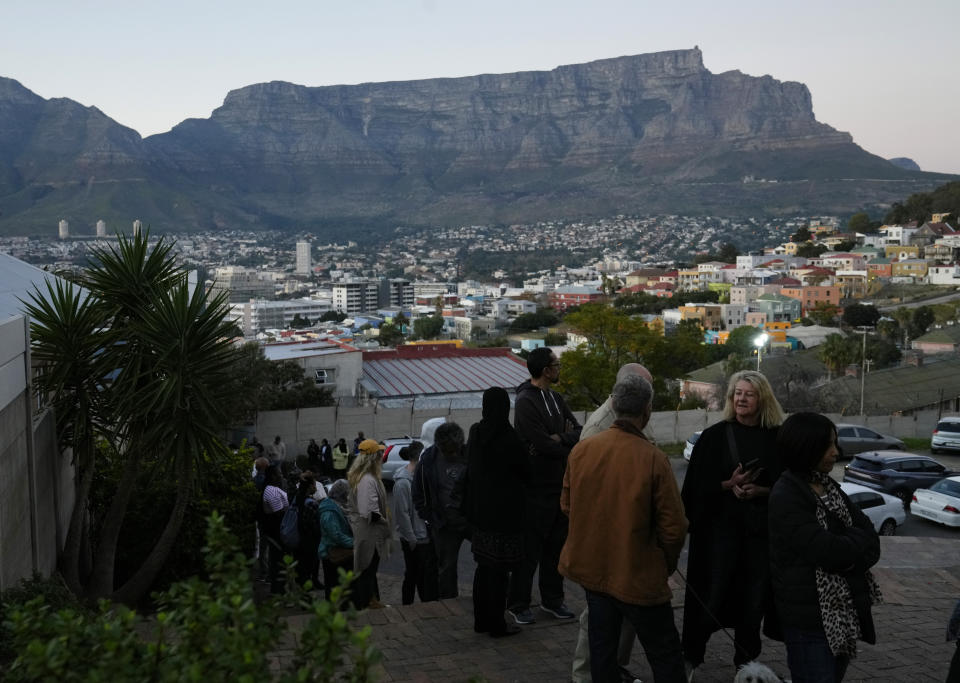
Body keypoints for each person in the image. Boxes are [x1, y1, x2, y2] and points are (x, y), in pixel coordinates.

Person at [559, 375, 688, 682]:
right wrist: (663, 565)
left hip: (594, 572)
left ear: (614, 406)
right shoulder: (653, 458)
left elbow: (567, 505)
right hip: (638, 575)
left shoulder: (582, 450)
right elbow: (674, 527)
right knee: (665, 655)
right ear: (647, 410)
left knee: (602, 653)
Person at [680, 369, 785, 677]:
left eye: (748, 394)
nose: (741, 399)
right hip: (718, 541)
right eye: (737, 393)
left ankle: (746, 666)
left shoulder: (778, 439)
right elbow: (694, 490)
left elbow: (790, 485)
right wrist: (728, 484)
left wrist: (761, 490)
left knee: (752, 604)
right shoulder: (713, 438)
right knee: (709, 598)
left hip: (757, 539)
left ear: (762, 399)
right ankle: (691, 658)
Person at [769, 412, 882, 683]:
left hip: (842, 615)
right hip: (810, 622)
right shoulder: (787, 495)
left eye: (836, 443)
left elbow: (872, 540)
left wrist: (848, 552)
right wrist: (852, 549)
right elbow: (827, 552)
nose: (836, 452)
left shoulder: (827, 485)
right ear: (805, 448)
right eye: (828, 445)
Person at [572, 362, 653, 683]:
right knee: (598, 614)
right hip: (606, 537)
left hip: (630, 534)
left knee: (625, 612)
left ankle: (611, 669)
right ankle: (585, 675)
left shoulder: (632, 418)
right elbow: (580, 493)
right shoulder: (599, 428)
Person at [509, 346, 581, 625]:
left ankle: (553, 600)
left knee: (556, 548)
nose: (559, 368)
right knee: (529, 552)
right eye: (556, 364)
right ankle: (518, 603)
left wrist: (560, 439)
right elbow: (538, 443)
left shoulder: (556, 397)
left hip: (558, 486)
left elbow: (578, 430)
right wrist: (561, 441)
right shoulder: (526, 402)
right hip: (535, 489)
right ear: (545, 370)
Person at [465, 387, 528, 638]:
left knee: (483, 568)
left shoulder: (476, 433)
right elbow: (525, 473)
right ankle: (497, 624)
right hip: (505, 517)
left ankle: (482, 620)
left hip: (480, 515)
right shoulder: (510, 438)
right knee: (500, 572)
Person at [412, 422, 471, 599]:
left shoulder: (470, 455)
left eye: (455, 451)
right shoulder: (428, 461)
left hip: (471, 520)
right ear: (439, 445)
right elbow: (418, 493)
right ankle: (449, 605)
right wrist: (430, 517)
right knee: (446, 568)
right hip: (444, 525)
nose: (452, 455)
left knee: (488, 560)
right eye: (448, 452)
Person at [390, 441, 439, 604]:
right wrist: (411, 538)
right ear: (420, 458)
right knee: (412, 574)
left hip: (424, 535)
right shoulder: (403, 483)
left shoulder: (419, 477)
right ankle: (408, 605)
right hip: (414, 539)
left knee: (423, 575)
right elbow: (402, 514)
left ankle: (425, 604)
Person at [347, 439, 392, 610]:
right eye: (380, 454)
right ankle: (366, 604)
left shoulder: (364, 477)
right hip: (370, 534)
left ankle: (369, 601)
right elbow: (368, 512)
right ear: (373, 458)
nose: (382, 457)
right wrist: (384, 523)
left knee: (367, 569)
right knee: (367, 569)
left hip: (367, 533)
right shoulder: (367, 480)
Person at [317, 479, 355, 603]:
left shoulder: (337, 506)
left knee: (338, 585)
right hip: (331, 553)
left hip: (337, 551)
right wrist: (353, 542)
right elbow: (335, 535)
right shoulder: (329, 510)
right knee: (333, 585)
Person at [260, 464, 289, 594]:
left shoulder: (274, 489)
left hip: (278, 532)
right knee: (278, 561)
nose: (281, 476)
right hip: (277, 533)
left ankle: (279, 589)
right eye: (279, 473)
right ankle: (279, 590)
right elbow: (279, 512)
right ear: (273, 476)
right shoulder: (271, 491)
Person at [292, 471, 323, 589]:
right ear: (310, 486)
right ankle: (307, 595)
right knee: (308, 568)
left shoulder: (297, 498)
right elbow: (314, 525)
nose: (316, 487)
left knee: (301, 569)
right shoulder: (311, 504)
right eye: (314, 485)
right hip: (310, 541)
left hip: (298, 538)